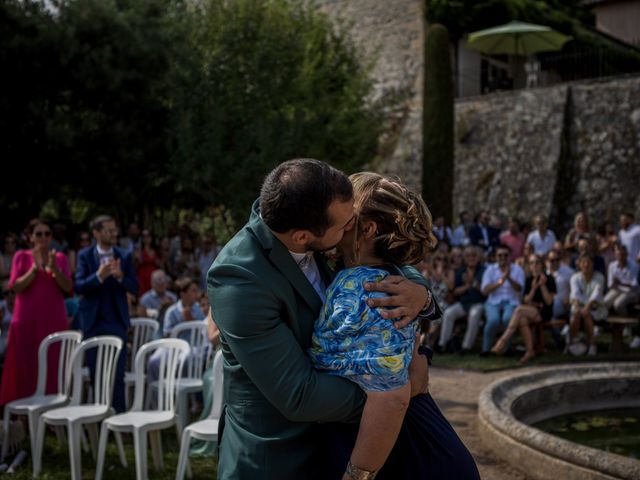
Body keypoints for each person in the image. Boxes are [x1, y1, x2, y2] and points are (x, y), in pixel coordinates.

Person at [208, 159, 439, 480]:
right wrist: (396, 388)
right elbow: (298, 395)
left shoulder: (313, 204)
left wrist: (420, 295)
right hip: (277, 456)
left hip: (335, 446)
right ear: (303, 237)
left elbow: (385, 256)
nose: (352, 227)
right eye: (346, 225)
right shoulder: (239, 279)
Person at [308, 172, 479, 479]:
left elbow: (392, 396)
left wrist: (355, 477)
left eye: (348, 208)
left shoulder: (365, 291)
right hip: (417, 440)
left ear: (368, 229)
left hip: (412, 451)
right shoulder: (381, 275)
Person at [0, 219, 72, 405]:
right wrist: (34, 268)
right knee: (26, 363)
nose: (43, 237)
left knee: (54, 361)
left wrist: (54, 269)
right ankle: (24, 413)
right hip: (26, 320)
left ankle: (54, 408)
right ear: (30, 237)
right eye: (38, 234)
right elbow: (15, 287)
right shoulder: (21, 256)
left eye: (47, 234)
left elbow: (68, 288)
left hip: (53, 318)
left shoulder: (60, 258)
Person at [75, 215, 138, 412]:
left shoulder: (124, 255)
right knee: (96, 373)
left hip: (116, 322)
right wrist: (98, 277)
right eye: (108, 230)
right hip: (92, 322)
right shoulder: (85, 256)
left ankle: (119, 418)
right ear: (96, 233)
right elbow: (78, 287)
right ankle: (99, 417)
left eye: (114, 230)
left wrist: (120, 277)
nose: (113, 234)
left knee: (118, 374)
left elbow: (135, 287)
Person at [491, 254, 556, 363]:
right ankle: (529, 351)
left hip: (544, 312)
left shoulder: (549, 278)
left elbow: (549, 301)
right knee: (522, 319)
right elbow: (526, 300)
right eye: (531, 263)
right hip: (530, 310)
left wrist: (542, 285)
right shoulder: (529, 279)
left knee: (519, 310)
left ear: (542, 265)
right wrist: (534, 288)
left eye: (537, 263)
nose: (534, 265)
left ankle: (502, 341)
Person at [438, 246, 485, 354]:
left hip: (478, 302)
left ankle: (465, 347)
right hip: (463, 303)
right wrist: (467, 285)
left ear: (478, 257)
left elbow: (484, 291)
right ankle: (443, 344)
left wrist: (472, 282)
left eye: (473, 256)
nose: (471, 258)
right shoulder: (461, 271)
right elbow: (455, 291)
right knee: (449, 313)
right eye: (468, 256)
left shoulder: (483, 270)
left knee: (474, 314)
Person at [480, 244, 525, 356]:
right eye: (500, 255)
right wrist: (500, 282)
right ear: (496, 257)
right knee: (493, 321)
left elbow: (520, 289)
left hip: (511, 301)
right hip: (493, 301)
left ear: (510, 256)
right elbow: (485, 290)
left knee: (507, 319)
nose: (503, 258)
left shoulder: (518, 270)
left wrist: (508, 277)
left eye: (506, 255)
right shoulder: (490, 270)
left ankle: (507, 349)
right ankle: (486, 349)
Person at [568, 254, 606, 356]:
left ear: (593, 264)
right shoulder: (574, 278)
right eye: (583, 262)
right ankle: (571, 342)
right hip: (579, 307)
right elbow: (574, 295)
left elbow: (596, 295)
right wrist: (577, 308)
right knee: (575, 314)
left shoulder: (599, 277)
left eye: (589, 262)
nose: (586, 264)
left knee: (586, 314)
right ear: (579, 264)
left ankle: (592, 344)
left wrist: (586, 308)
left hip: (596, 308)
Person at [604, 244, 639, 315]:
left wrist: (620, 283)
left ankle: (628, 320)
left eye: (622, 254)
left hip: (632, 292)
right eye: (618, 255)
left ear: (627, 255)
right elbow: (610, 284)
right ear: (615, 255)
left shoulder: (635, 266)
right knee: (605, 302)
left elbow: (634, 286)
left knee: (618, 304)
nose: (620, 257)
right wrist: (617, 284)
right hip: (617, 289)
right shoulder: (612, 266)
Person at [135, 228, 160, 295]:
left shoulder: (156, 250)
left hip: (153, 276)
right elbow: (136, 266)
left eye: (148, 236)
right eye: (144, 237)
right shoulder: (139, 251)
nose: (146, 239)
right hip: (142, 276)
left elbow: (159, 265)